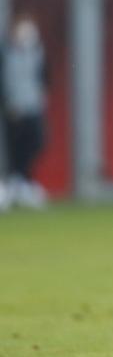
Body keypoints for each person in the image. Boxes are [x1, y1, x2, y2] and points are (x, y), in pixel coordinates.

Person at [1, 12, 49, 209]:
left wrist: (42, 95)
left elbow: (44, 77)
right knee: (14, 147)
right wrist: (7, 103)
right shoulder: (5, 54)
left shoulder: (37, 51)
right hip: (13, 108)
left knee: (38, 142)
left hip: (33, 107)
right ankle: (12, 185)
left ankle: (21, 182)